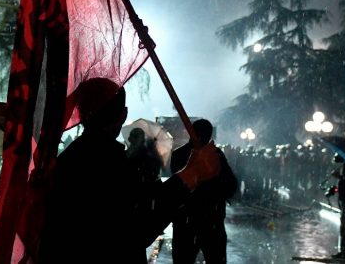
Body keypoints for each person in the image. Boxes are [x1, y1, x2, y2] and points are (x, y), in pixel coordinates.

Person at [40, 78, 220, 263]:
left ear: (82, 113)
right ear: (123, 115)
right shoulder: (113, 163)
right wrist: (191, 174)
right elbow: (140, 226)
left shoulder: (67, 159)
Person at [169, 119, 237, 264]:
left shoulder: (178, 154)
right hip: (211, 220)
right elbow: (231, 185)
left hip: (186, 222)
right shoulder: (215, 155)